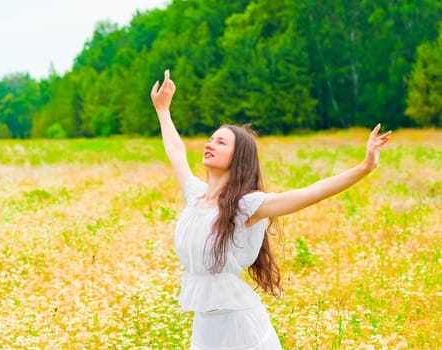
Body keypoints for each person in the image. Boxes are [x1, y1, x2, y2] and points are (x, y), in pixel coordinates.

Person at [150, 69, 391, 349]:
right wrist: (163, 110)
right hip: (206, 327)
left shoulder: (246, 206)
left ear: (238, 157)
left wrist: (365, 168)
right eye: (211, 138)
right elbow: (176, 151)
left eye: (220, 141)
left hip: (239, 327)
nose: (209, 144)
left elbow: (309, 194)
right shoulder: (196, 195)